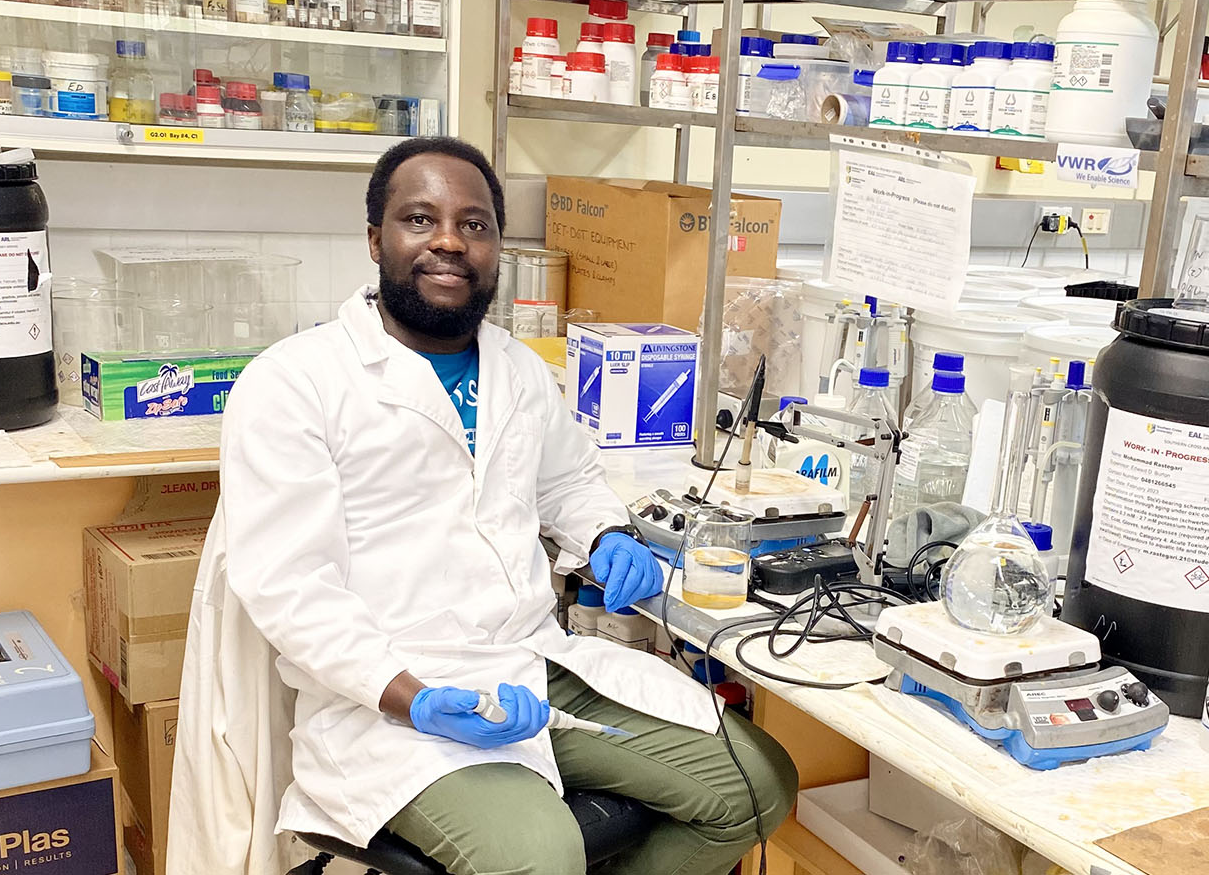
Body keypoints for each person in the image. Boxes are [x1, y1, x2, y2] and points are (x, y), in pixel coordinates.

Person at [207, 136, 797, 875]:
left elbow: (566, 482)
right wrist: (413, 698)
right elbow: (292, 590)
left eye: (475, 224)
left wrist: (606, 531)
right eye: (420, 219)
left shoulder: (517, 369)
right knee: (539, 856)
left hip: (529, 662)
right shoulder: (295, 383)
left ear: (496, 247)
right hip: (388, 698)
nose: (449, 241)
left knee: (755, 786)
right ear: (374, 239)